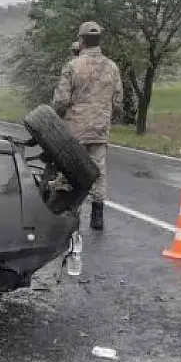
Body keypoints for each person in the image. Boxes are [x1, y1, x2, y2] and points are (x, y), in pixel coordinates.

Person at [52, 21, 123, 231]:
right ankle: (97, 214)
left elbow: (62, 100)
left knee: (69, 170)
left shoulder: (72, 66)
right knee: (98, 170)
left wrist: (54, 116)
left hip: (75, 129)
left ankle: (68, 213)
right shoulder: (112, 66)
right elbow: (118, 100)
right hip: (100, 128)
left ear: (81, 40)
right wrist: (108, 114)